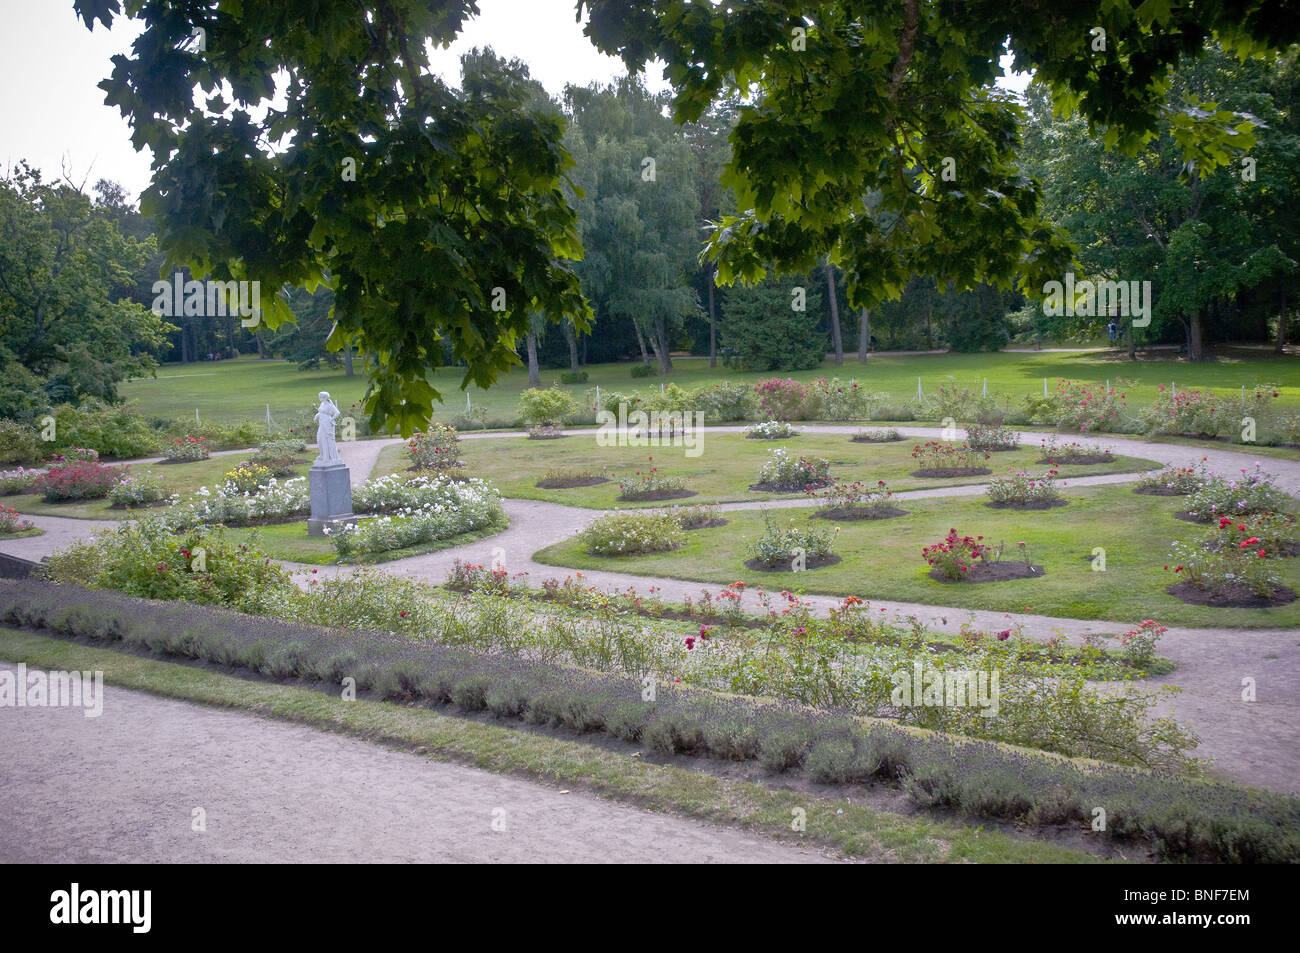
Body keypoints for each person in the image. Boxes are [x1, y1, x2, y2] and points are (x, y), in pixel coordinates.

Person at [314, 391, 342, 465]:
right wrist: (317, 415)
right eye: (319, 397)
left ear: (325, 398)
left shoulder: (329, 405)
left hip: (327, 424)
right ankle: (322, 455)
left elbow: (337, 412)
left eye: (321, 397)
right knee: (319, 438)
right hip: (321, 423)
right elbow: (320, 412)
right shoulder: (322, 404)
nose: (320, 398)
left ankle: (328, 457)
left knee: (326, 439)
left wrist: (331, 419)